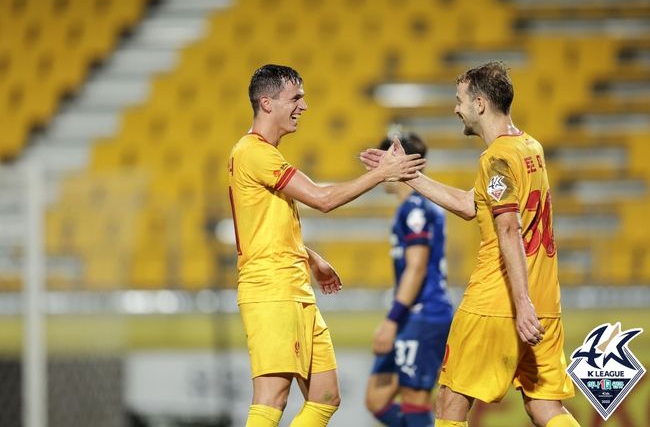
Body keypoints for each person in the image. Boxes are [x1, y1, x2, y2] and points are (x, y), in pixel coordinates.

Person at [360, 62, 579, 427]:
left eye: (459, 100)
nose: (455, 108)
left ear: (480, 104)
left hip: (498, 301)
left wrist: (520, 303)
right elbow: (469, 205)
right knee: (544, 406)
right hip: (545, 301)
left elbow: (508, 228)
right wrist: (408, 174)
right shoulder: (530, 148)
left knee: (449, 404)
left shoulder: (495, 158)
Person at [228, 64, 426, 427]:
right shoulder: (253, 153)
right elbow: (323, 199)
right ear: (266, 103)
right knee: (272, 397)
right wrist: (382, 172)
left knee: (326, 397)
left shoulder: (264, 155)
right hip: (271, 291)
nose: (303, 106)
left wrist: (312, 257)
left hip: (294, 287)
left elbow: (266, 226)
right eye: (296, 98)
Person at [365, 130, 453, 427]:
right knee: (376, 399)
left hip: (424, 313)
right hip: (411, 316)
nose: (377, 168)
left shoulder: (416, 208)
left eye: (383, 159)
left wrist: (391, 320)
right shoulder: (411, 209)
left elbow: (417, 267)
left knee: (415, 400)